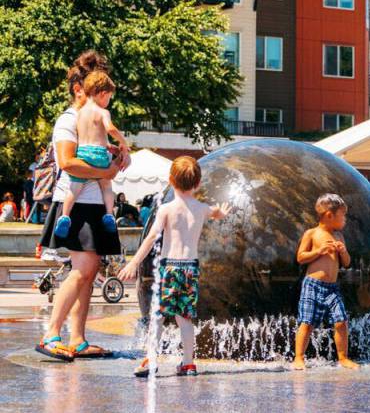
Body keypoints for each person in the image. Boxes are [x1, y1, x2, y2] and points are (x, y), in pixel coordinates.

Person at [35, 51, 127, 362]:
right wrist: (106, 172)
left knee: (88, 273)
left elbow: (100, 155)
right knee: (83, 270)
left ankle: (77, 338)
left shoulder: (95, 118)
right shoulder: (68, 119)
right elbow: (68, 162)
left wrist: (117, 156)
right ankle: (51, 333)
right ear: (79, 88)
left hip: (95, 204)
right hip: (74, 204)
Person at [119, 156, 230, 377]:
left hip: (170, 267)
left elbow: (151, 238)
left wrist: (134, 262)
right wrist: (220, 213)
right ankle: (188, 363)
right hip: (191, 268)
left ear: (171, 180)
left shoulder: (167, 209)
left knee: (159, 315)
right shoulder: (201, 208)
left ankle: (151, 359)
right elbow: (215, 212)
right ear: (197, 183)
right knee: (185, 317)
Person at [54, 71, 130, 239]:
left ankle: (65, 215)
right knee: (107, 186)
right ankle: (109, 214)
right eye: (109, 97)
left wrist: (107, 145)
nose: (108, 101)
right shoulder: (103, 112)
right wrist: (122, 142)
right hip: (99, 156)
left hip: (83, 153)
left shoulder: (80, 113)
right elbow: (109, 129)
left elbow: (86, 137)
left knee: (73, 189)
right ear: (103, 93)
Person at [292, 194, 358, 370]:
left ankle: (343, 357)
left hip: (332, 288)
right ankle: (299, 357)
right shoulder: (312, 234)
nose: (344, 219)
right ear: (329, 215)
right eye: (342, 215)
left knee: (341, 321)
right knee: (307, 322)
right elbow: (300, 257)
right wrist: (320, 251)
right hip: (312, 284)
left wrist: (343, 251)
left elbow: (346, 263)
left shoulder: (339, 236)